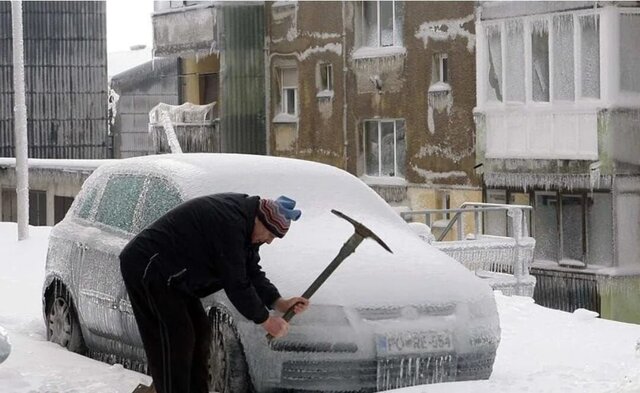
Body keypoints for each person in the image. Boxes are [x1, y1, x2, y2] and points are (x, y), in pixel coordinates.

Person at [120, 193, 309, 393]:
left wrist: (279, 303)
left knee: (200, 332)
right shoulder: (229, 223)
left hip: (175, 279)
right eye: (271, 235)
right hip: (147, 266)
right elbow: (236, 282)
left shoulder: (246, 226)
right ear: (260, 220)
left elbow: (251, 271)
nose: (269, 241)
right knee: (177, 338)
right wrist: (266, 321)